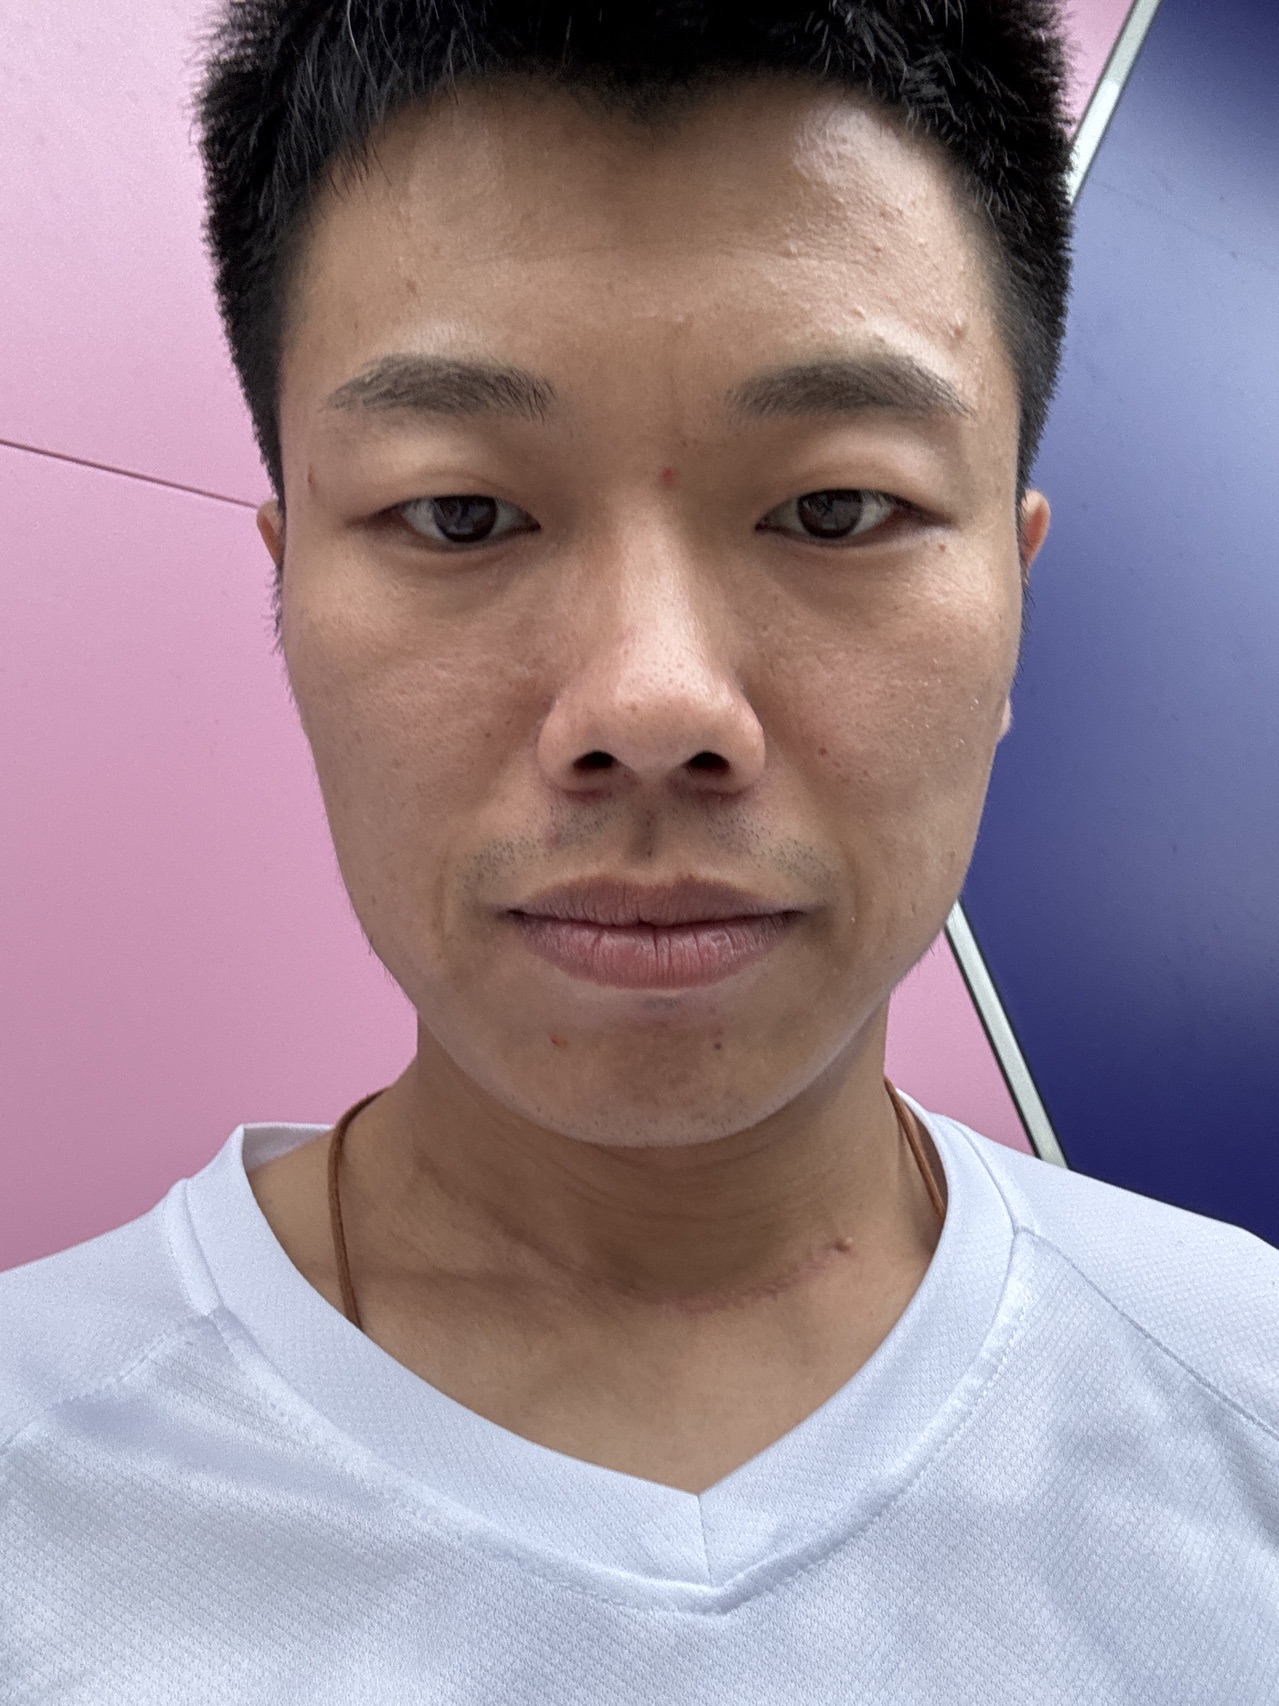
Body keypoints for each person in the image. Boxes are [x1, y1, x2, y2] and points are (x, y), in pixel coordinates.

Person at [3, 1, 1277, 1698]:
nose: (654, 703)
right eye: (461, 512)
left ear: (1014, 601)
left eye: (835, 509)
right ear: (287, 586)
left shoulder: (1241, 1408)